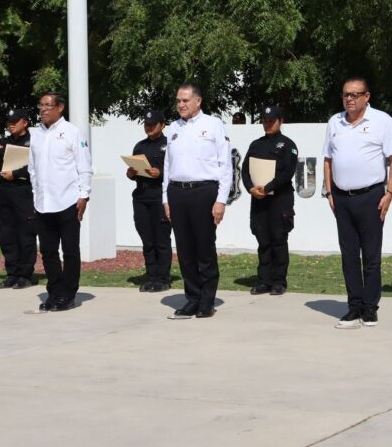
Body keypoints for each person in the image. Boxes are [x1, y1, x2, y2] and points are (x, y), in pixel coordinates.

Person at [322, 77, 392, 328]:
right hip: (342, 198)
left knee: (370, 255)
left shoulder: (382, 121)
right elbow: (327, 159)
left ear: (367, 97)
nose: (350, 99)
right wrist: (330, 193)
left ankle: (370, 307)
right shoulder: (334, 122)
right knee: (348, 256)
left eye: (355, 95)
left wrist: (389, 193)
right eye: (346, 94)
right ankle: (353, 306)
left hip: (372, 196)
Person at [162, 84, 232, 319]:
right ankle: (191, 298)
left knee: (204, 248)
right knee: (184, 250)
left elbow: (225, 165)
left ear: (198, 101)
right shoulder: (173, 128)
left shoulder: (213, 125)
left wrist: (221, 200)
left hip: (204, 192)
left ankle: (207, 300)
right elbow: (167, 167)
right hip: (177, 192)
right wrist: (166, 199)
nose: (181, 105)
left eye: (185, 100)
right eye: (178, 101)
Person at [28, 92, 93, 312]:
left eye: (48, 105)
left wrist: (84, 195)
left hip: (67, 201)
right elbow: (32, 169)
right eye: (41, 106)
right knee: (47, 251)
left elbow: (84, 166)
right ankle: (54, 291)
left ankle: (68, 293)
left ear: (60, 107)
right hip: (43, 203)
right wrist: (35, 194)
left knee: (70, 251)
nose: (43, 109)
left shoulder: (72, 132)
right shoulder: (36, 135)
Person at [241, 106, 299, 296]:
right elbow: (245, 170)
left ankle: (279, 281)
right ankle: (264, 280)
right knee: (263, 240)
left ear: (280, 121)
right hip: (259, 200)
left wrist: (267, 188)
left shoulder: (288, 145)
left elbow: (287, 173)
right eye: (264, 120)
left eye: (271, 120)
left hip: (279, 200)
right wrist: (251, 188)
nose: (267, 123)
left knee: (278, 240)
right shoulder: (256, 144)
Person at [0, 109, 37, 290]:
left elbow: (40, 166)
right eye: (9, 122)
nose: (10, 124)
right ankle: (12, 273)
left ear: (25, 122)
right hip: (4, 192)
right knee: (7, 234)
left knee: (25, 234)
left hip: (24, 191)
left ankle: (25, 274)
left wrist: (17, 174)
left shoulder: (35, 142)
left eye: (15, 121)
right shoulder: (4, 142)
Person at [127, 109, 172, 292]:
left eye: (153, 125)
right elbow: (134, 171)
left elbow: (175, 171)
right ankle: (151, 276)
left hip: (159, 195)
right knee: (147, 238)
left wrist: (159, 173)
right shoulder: (140, 146)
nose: (149, 128)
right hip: (141, 195)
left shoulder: (169, 145)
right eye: (146, 125)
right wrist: (131, 173)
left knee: (161, 238)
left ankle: (163, 278)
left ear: (162, 125)